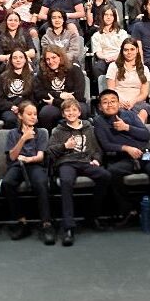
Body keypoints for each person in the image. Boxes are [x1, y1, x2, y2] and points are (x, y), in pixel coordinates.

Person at [94, 89, 150, 228]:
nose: (109, 104)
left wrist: (126, 127)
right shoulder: (99, 122)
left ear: (118, 103)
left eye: (113, 101)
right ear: (100, 107)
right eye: (105, 102)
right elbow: (106, 145)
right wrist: (126, 148)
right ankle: (129, 210)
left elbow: (146, 136)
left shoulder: (129, 115)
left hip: (146, 153)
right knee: (112, 172)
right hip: (126, 158)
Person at [48, 97, 112, 246]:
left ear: (79, 112)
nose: (71, 113)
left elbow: (97, 149)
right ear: (63, 114)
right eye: (67, 110)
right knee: (66, 181)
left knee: (105, 176)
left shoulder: (89, 127)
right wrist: (64, 146)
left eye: (74, 110)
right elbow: (50, 152)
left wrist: (97, 159)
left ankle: (92, 215)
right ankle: (68, 227)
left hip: (86, 162)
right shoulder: (58, 130)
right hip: (67, 163)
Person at [0, 102, 57, 245]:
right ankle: (22, 222)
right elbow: (12, 157)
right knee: (7, 183)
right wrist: (23, 139)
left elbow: (40, 156)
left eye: (35, 114)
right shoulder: (13, 133)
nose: (33, 117)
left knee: (41, 182)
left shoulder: (41, 133)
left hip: (34, 164)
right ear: (20, 115)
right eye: (29, 114)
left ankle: (46, 224)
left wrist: (27, 158)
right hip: (17, 165)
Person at [34, 45, 88, 130]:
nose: (50, 61)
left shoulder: (74, 70)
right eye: (47, 59)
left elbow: (79, 95)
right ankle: (51, 139)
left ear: (60, 57)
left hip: (74, 103)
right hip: (52, 105)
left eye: (53, 57)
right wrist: (60, 95)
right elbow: (39, 93)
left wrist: (55, 101)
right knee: (46, 113)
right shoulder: (42, 73)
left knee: (82, 110)